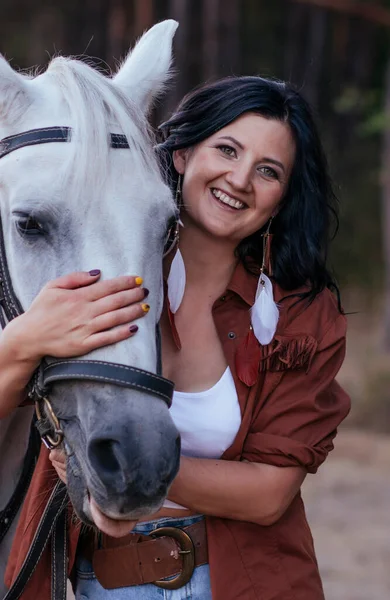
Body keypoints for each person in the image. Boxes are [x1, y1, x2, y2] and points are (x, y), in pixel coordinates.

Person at [2, 76, 350, 600]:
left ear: (282, 197)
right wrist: (22, 342)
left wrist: (119, 474)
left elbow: (269, 494)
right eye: (227, 150)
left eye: (268, 170)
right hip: (110, 583)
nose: (239, 179)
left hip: (252, 583)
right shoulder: (101, 272)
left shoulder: (299, 315)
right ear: (184, 153)